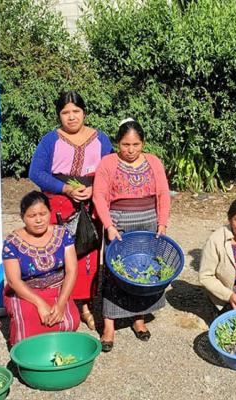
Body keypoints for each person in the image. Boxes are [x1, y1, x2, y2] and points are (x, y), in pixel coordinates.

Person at [29, 90, 113, 331]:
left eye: (76, 111)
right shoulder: (50, 140)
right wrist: (64, 188)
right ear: (59, 115)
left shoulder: (100, 139)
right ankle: (62, 303)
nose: (71, 117)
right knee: (62, 253)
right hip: (59, 206)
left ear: (84, 112)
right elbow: (37, 172)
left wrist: (95, 187)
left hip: (91, 204)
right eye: (65, 112)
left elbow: (109, 169)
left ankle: (86, 305)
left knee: (89, 254)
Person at [92, 118, 172, 352]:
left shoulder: (154, 162)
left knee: (143, 271)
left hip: (148, 223)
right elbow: (99, 196)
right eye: (126, 145)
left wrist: (163, 224)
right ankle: (109, 324)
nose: (130, 150)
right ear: (118, 143)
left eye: (136, 145)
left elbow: (164, 194)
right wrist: (109, 225)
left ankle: (139, 318)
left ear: (143, 143)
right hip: (119, 225)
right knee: (115, 272)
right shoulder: (108, 163)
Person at [3, 191, 80, 345]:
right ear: (22, 217)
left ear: (50, 213)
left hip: (57, 289)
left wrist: (61, 303)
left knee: (70, 322)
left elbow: (72, 270)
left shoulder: (63, 233)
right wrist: (39, 303)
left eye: (43, 214)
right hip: (26, 293)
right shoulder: (12, 242)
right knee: (30, 325)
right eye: (32, 216)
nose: (38, 220)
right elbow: (14, 281)